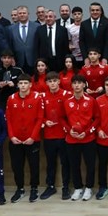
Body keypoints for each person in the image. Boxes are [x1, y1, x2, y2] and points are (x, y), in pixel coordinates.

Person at [5, 74, 43, 203]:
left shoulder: (37, 98)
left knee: (34, 165)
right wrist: (11, 136)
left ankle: (34, 188)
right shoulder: (11, 98)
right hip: (16, 140)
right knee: (17, 166)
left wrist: (33, 137)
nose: (23, 85)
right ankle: (20, 189)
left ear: (30, 85)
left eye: (25, 83)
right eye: (20, 83)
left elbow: (40, 119)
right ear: (17, 85)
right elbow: (8, 119)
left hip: (32, 140)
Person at [62, 74, 100, 202]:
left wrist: (88, 132)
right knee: (74, 165)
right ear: (71, 85)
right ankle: (77, 188)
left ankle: (89, 188)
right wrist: (69, 131)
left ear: (84, 85)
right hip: (72, 139)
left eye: (79, 83)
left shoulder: (91, 100)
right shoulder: (67, 101)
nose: (77, 85)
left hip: (88, 139)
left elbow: (97, 118)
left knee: (90, 164)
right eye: (74, 83)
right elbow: (62, 118)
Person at [40, 71, 71, 200]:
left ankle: (66, 187)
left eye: (54, 81)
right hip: (49, 136)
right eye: (50, 81)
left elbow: (70, 115)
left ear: (59, 81)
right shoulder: (42, 96)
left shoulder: (66, 95)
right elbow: (39, 115)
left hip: (63, 135)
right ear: (46, 83)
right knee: (50, 163)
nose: (52, 83)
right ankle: (50, 186)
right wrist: (45, 121)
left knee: (65, 162)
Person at [7, 6, 39, 73]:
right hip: (18, 61)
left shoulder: (36, 26)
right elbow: (10, 45)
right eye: (20, 13)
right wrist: (11, 58)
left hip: (34, 60)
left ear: (28, 14)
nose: (22, 15)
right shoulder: (11, 29)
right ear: (17, 15)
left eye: (24, 13)